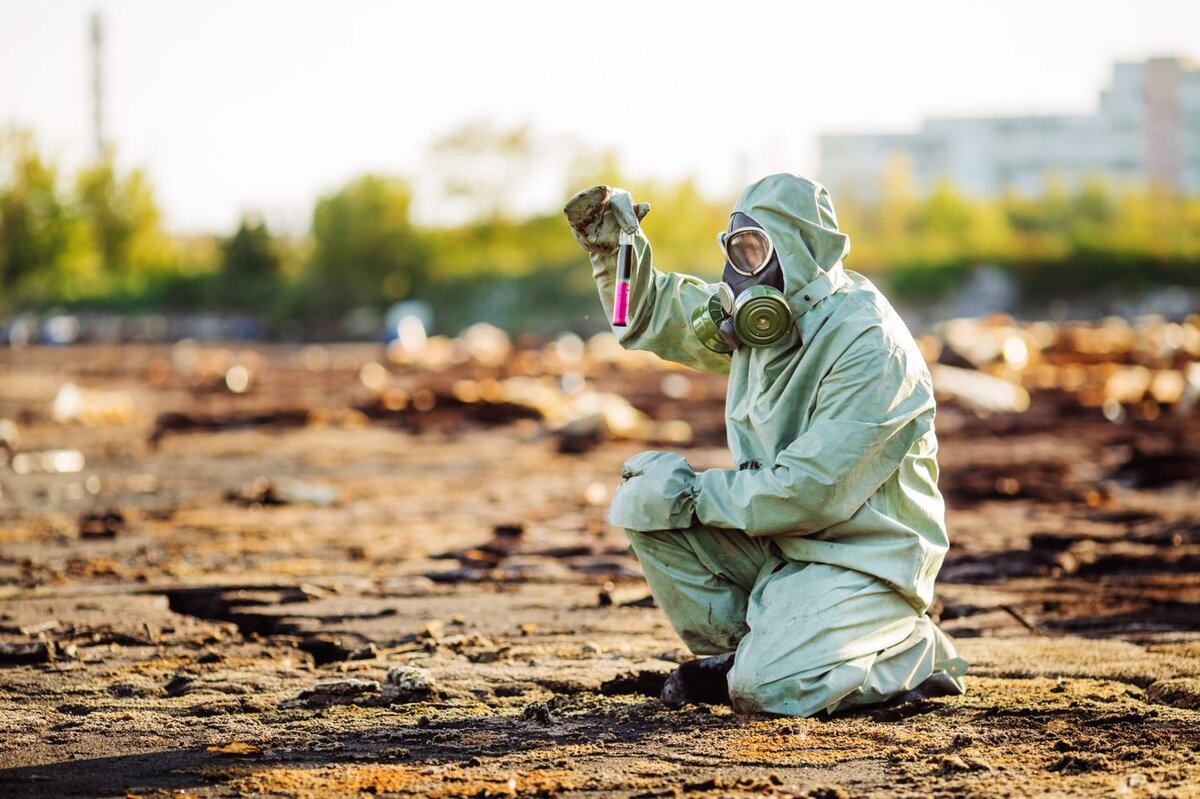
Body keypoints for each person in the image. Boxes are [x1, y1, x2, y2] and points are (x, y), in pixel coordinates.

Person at [563, 174, 967, 717]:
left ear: (799, 251)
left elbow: (809, 493)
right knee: (645, 498)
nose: (736, 275)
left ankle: (907, 648)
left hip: (863, 559)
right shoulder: (764, 324)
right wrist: (616, 251)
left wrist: (693, 493)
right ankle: (748, 651)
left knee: (766, 692)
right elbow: (635, 319)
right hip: (785, 543)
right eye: (734, 251)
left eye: (753, 251)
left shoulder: (871, 348)